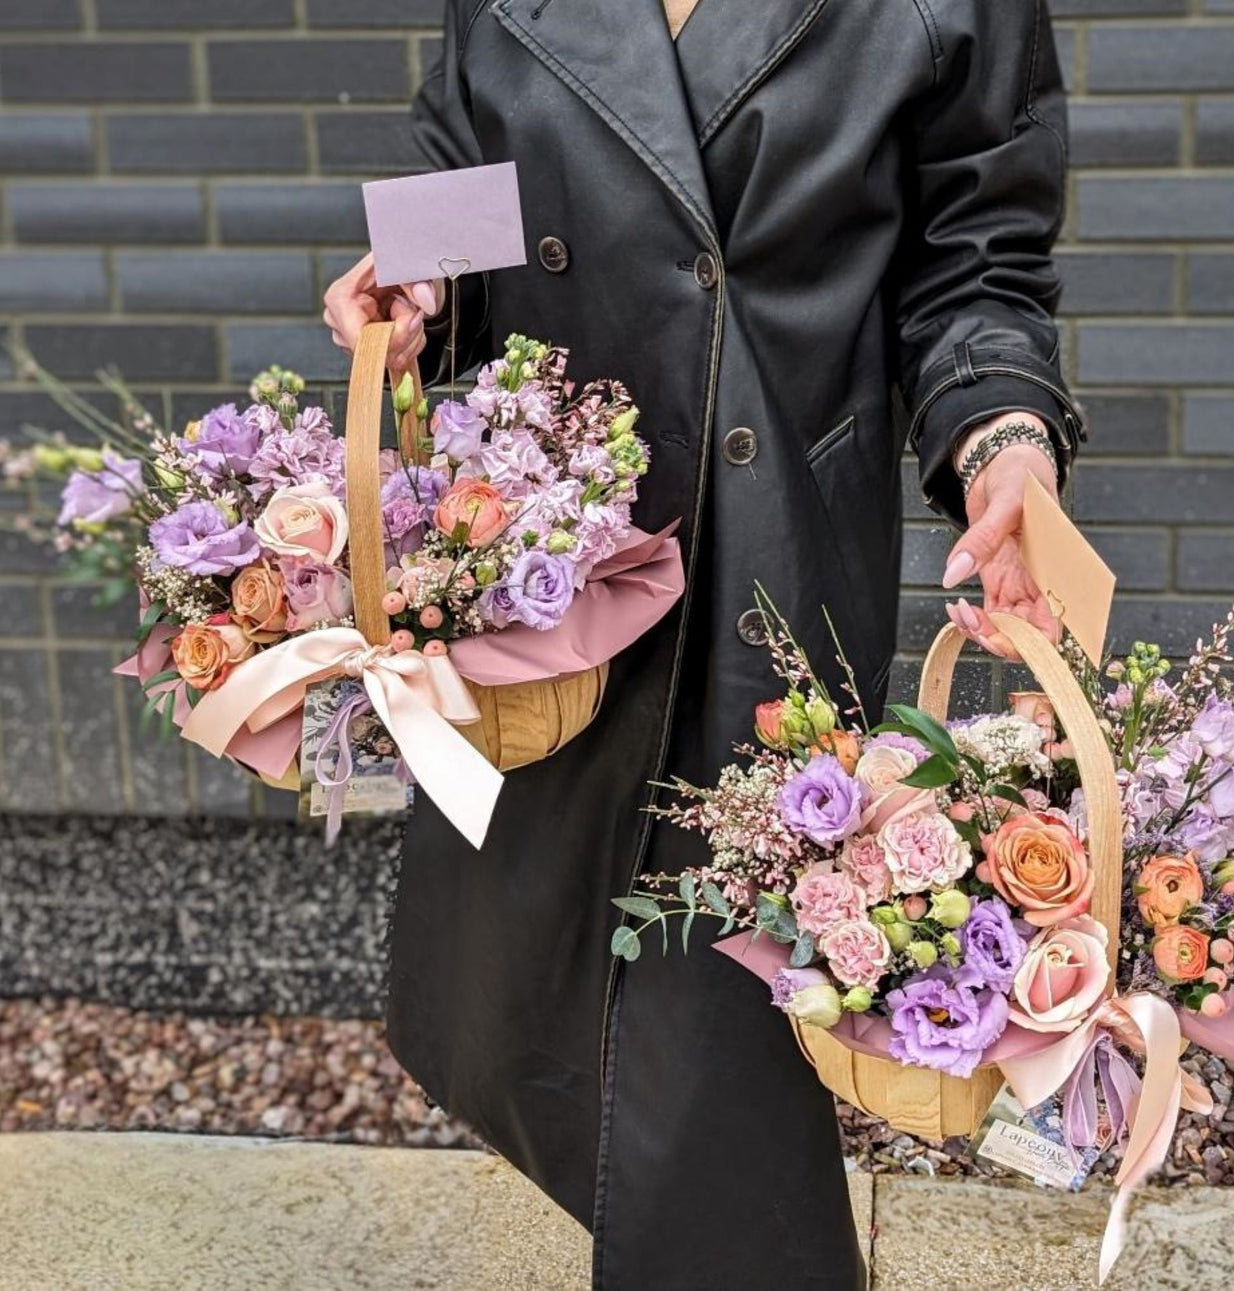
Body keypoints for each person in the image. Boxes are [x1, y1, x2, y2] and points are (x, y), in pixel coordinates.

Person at [325, 1, 1084, 1285]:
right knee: (532, 988)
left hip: (765, 565)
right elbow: (466, 178)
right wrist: (415, 295)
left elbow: (977, 260)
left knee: (707, 1022)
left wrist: (1003, 434)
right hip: (550, 570)